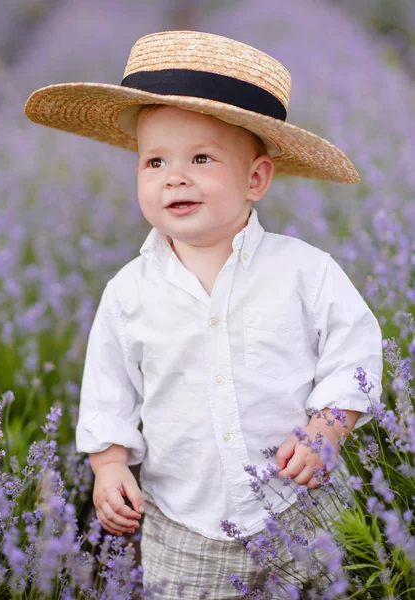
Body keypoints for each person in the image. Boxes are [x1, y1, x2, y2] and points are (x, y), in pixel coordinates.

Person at [24, 30, 383, 599]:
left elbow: (355, 348)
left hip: (298, 508)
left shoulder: (305, 271)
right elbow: (110, 387)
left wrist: (327, 428)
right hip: (184, 521)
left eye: (201, 158)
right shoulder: (128, 292)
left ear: (256, 179)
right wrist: (110, 463)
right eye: (155, 161)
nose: (174, 176)